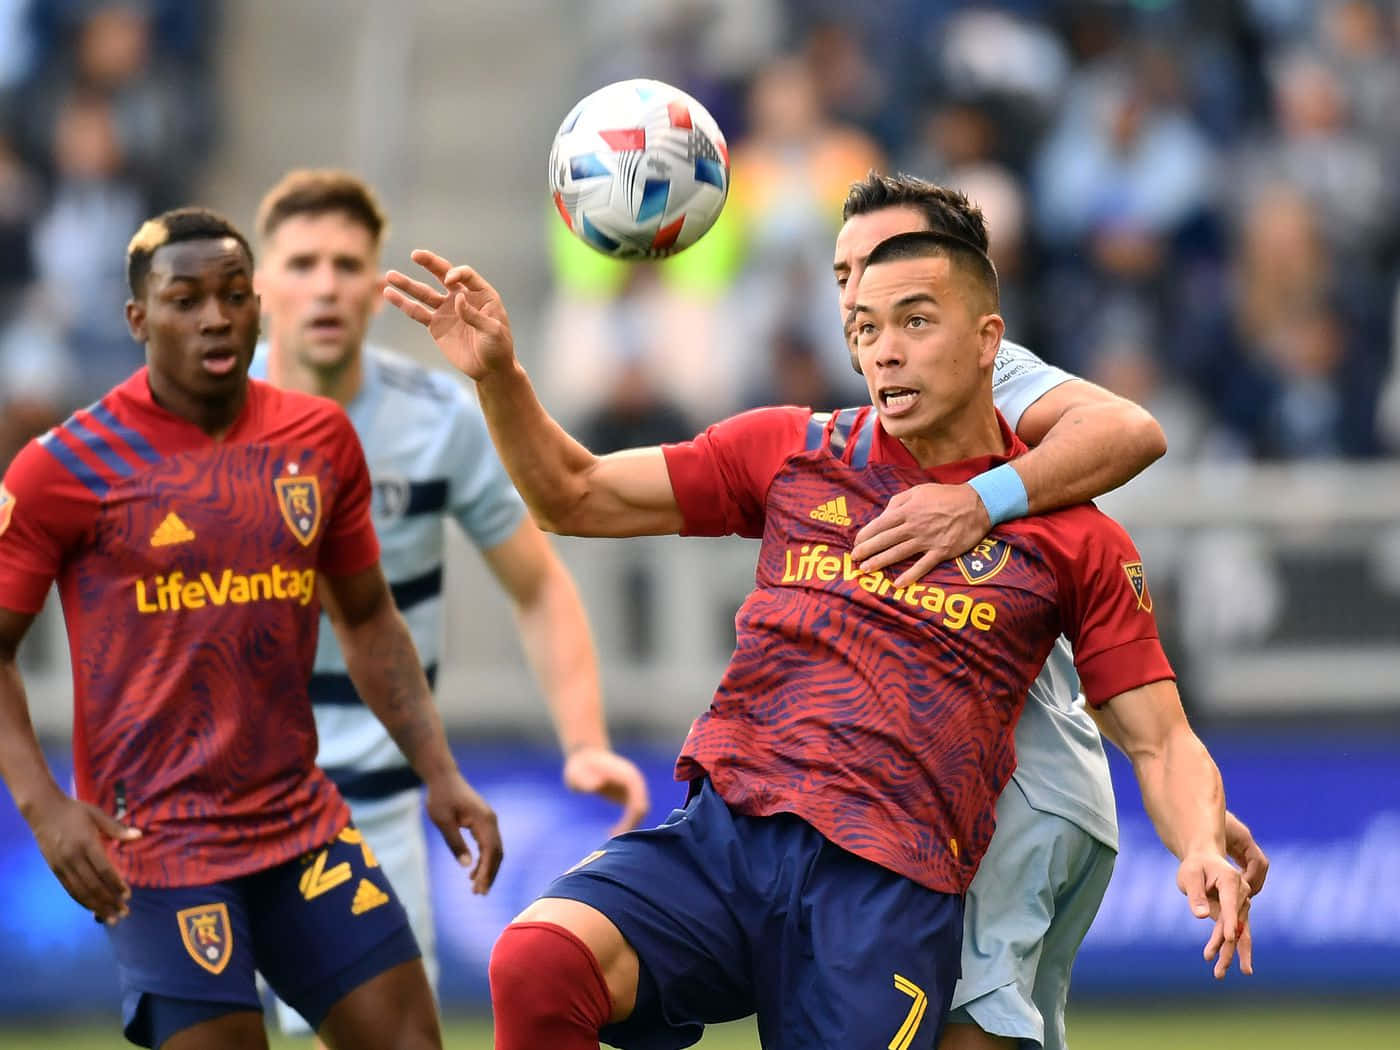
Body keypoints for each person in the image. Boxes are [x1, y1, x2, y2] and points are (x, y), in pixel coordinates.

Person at [382, 233, 1252, 1050]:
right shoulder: (794, 451)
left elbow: (1160, 738)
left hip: (885, 893)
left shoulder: (1071, 535)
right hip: (725, 842)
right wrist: (500, 378)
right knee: (538, 963)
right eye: (864, 329)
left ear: (990, 340)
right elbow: (573, 494)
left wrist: (1202, 844)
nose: (885, 351)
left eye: (915, 321)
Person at [0, 207, 502, 1050]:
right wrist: (45, 806)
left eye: (234, 295)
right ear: (138, 318)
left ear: (259, 306)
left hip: (298, 822)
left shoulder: (317, 439)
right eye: (185, 299)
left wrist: (440, 772)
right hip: (159, 847)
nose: (215, 317)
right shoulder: (64, 468)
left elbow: (370, 619)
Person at [831, 173, 1269, 1050]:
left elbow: (1131, 431)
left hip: (1012, 793)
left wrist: (980, 500)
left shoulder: (992, 373)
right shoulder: (869, 400)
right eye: (845, 273)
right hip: (944, 791)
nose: (860, 290)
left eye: (890, 267)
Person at [247, 168, 651, 1040]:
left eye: (348, 264)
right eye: (304, 262)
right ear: (260, 285)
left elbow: (539, 583)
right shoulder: (195, 420)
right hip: (223, 795)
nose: (326, 284)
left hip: (381, 804)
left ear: (377, 282)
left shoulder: (437, 416)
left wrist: (583, 743)